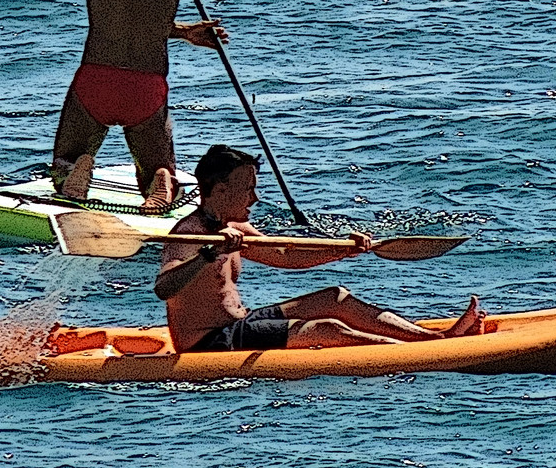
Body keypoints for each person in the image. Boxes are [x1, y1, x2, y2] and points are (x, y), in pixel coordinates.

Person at [154, 145, 484, 352]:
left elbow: (285, 255)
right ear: (222, 190)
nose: (254, 198)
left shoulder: (234, 228)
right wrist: (206, 256)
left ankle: (435, 340)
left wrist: (341, 250)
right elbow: (164, 287)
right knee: (325, 330)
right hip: (208, 341)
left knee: (335, 298)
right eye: (248, 189)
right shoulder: (187, 234)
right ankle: (420, 356)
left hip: (241, 322)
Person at [52, 0, 233, 213]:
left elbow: (120, 18)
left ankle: (75, 170)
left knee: (64, 159)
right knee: (153, 169)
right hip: (145, 84)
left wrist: (182, 31)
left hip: (95, 78)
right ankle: (161, 178)